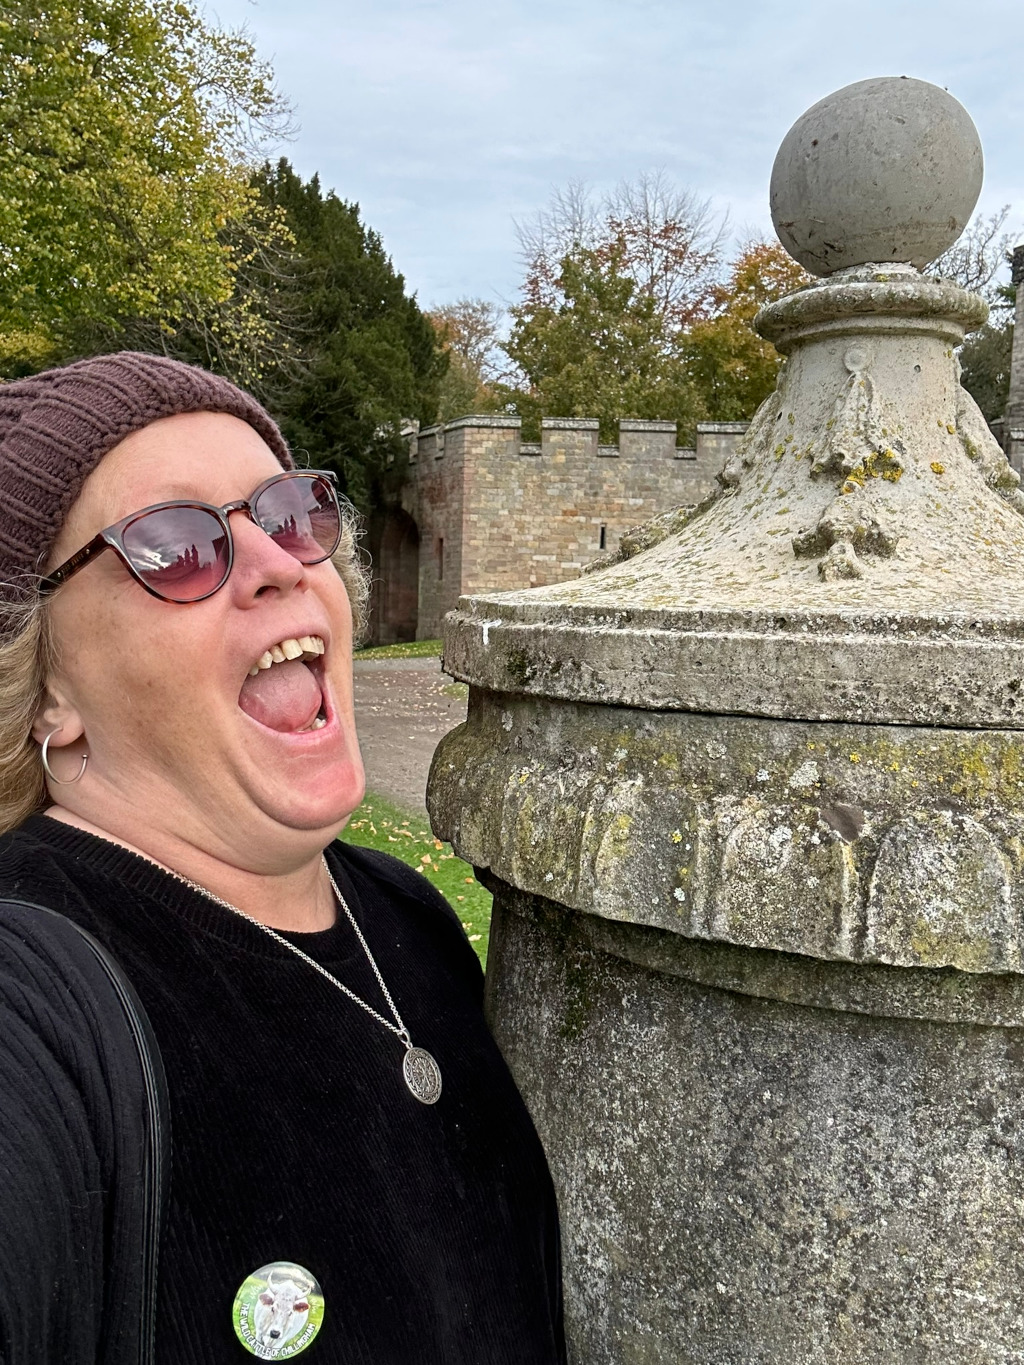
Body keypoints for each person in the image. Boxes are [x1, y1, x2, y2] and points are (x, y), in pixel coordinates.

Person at [0, 352, 566, 1364]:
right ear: (48, 686)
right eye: (173, 545)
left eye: (287, 509)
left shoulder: (405, 913)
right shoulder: (32, 993)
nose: (278, 560)